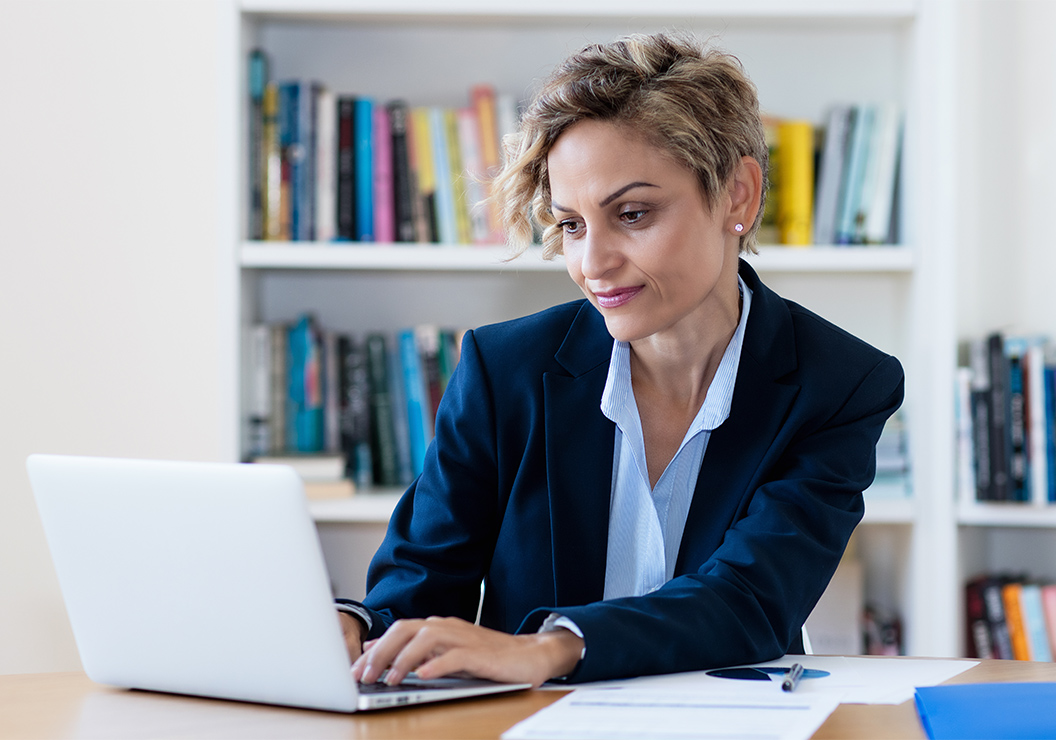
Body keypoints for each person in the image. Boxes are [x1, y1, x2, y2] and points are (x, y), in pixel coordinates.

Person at [336, 31, 904, 688]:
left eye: (632, 214)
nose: (591, 264)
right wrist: (356, 626)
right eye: (571, 224)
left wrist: (551, 648)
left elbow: (750, 598)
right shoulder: (503, 370)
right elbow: (415, 594)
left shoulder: (841, 384)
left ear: (737, 197)